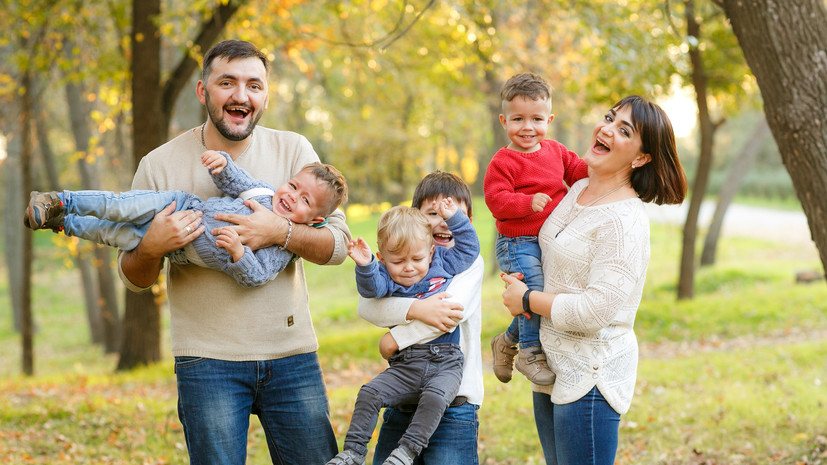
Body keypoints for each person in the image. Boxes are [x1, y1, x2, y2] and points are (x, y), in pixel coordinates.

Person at [117, 40, 351, 464]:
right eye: (227, 82)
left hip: (292, 356)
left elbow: (336, 247)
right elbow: (134, 277)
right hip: (207, 362)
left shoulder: (294, 151)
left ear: (264, 95)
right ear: (203, 91)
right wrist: (152, 247)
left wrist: (278, 230)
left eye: (253, 85)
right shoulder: (159, 164)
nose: (241, 95)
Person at [500, 95, 687, 464]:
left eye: (623, 130)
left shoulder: (624, 221)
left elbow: (594, 311)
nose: (606, 129)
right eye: (609, 118)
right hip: (551, 366)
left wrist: (526, 300)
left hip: (590, 376)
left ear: (641, 157)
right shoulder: (575, 191)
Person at [24, 151, 348, 288]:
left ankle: (62, 222)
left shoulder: (284, 249)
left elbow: (257, 277)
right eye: (293, 186)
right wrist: (222, 163)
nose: (291, 195)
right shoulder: (262, 193)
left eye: (304, 200)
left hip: (179, 249)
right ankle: (59, 200)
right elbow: (235, 181)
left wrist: (239, 252)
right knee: (120, 208)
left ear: (316, 220)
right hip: (178, 205)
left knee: (110, 234)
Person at [328, 198, 480, 465]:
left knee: (435, 397)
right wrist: (365, 266)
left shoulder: (442, 262)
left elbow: (468, 250)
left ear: (431, 251)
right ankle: (352, 452)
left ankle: (407, 451)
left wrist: (455, 217)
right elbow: (371, 293)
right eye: (399, 262)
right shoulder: (387, 274)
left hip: (445, 362)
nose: (409, 268)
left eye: (417, 259)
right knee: (369, 393)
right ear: (383, 259)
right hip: (405, 365)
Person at [484, 72, 588, 386]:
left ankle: (506, 341)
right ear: (504, 120)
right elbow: (496, 200)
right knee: (534, 294)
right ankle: (530, 352)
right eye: (518, 119)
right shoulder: (503, 162)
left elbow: (580, 171)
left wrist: (605, 165)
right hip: (519, 242)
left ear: (549, 119)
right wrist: (527, 203)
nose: (527, 127)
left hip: (551, 240)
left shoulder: (556, 151)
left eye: (536, 119)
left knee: (545, 294)